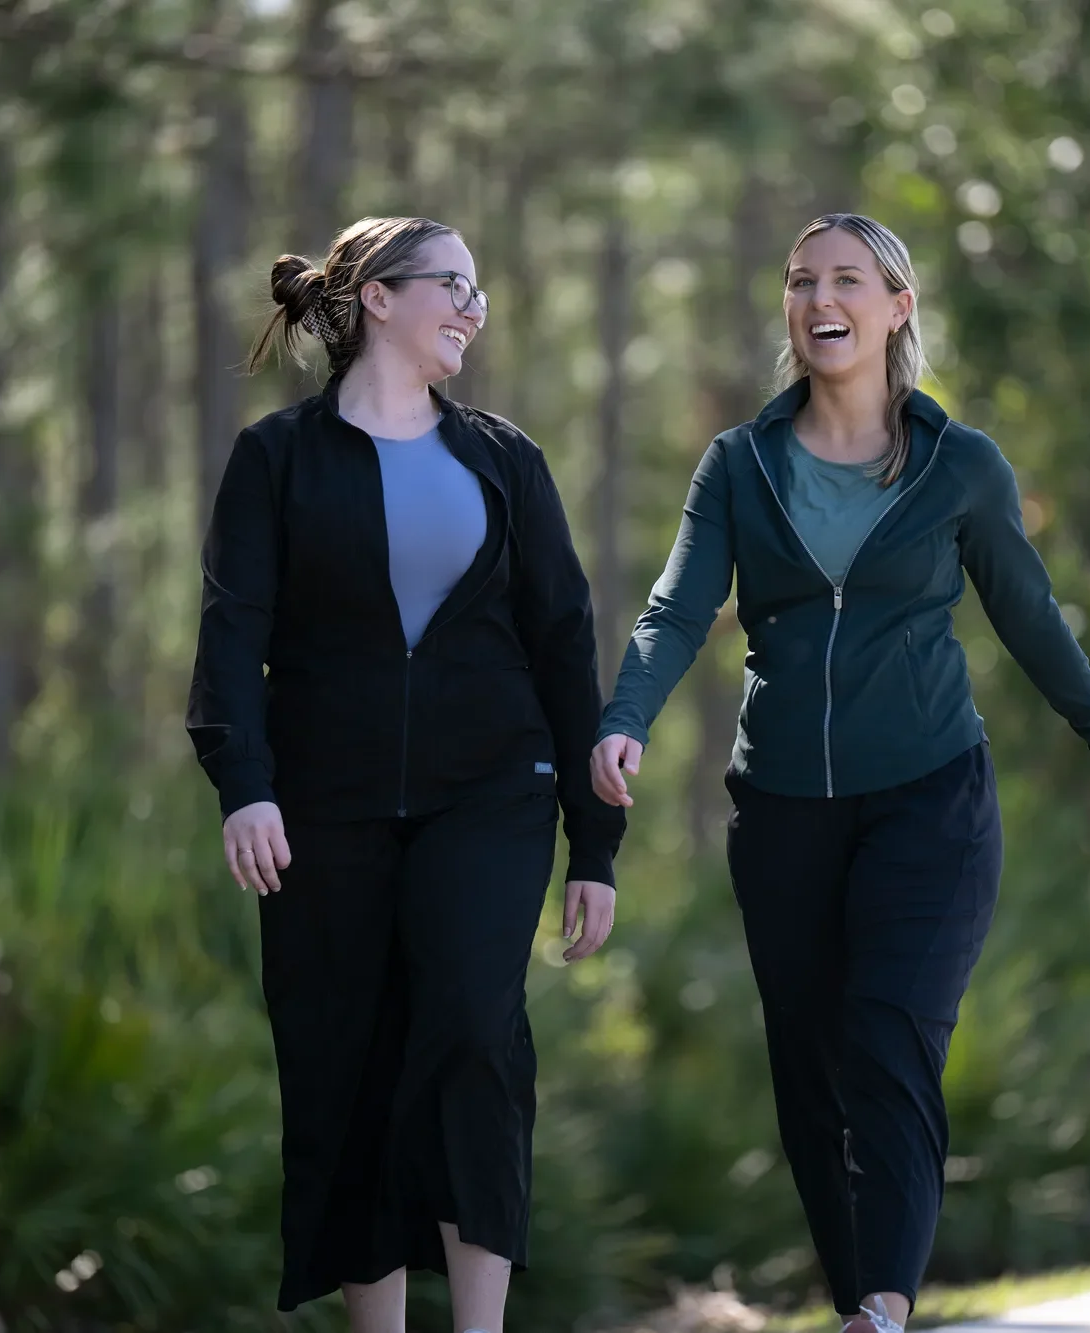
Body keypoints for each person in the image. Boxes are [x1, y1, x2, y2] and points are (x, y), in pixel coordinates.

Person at [589, 213, 1090, 1333]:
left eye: (844, 279)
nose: (817, 299)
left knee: (889, 1035)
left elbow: (1026, 614)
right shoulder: (741, 464)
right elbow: (675, 608)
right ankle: (857, 1290)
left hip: (928, 796)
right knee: (808, 1071)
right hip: (781, 812)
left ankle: (882, 1309)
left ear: (896, 307)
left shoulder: (960, 467)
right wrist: (627, 719)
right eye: (800, 279)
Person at [187, 215, 623, 1332]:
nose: (474, 310)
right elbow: (235, 632)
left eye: (481, 292)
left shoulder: (505, 459)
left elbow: (565, 645)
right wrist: (246, 783)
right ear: (378, 299)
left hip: (491, 790)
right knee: (346, 1061)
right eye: (454, 286)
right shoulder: (276, 459)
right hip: (322, 808)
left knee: (475, 1032)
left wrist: (595, 843)